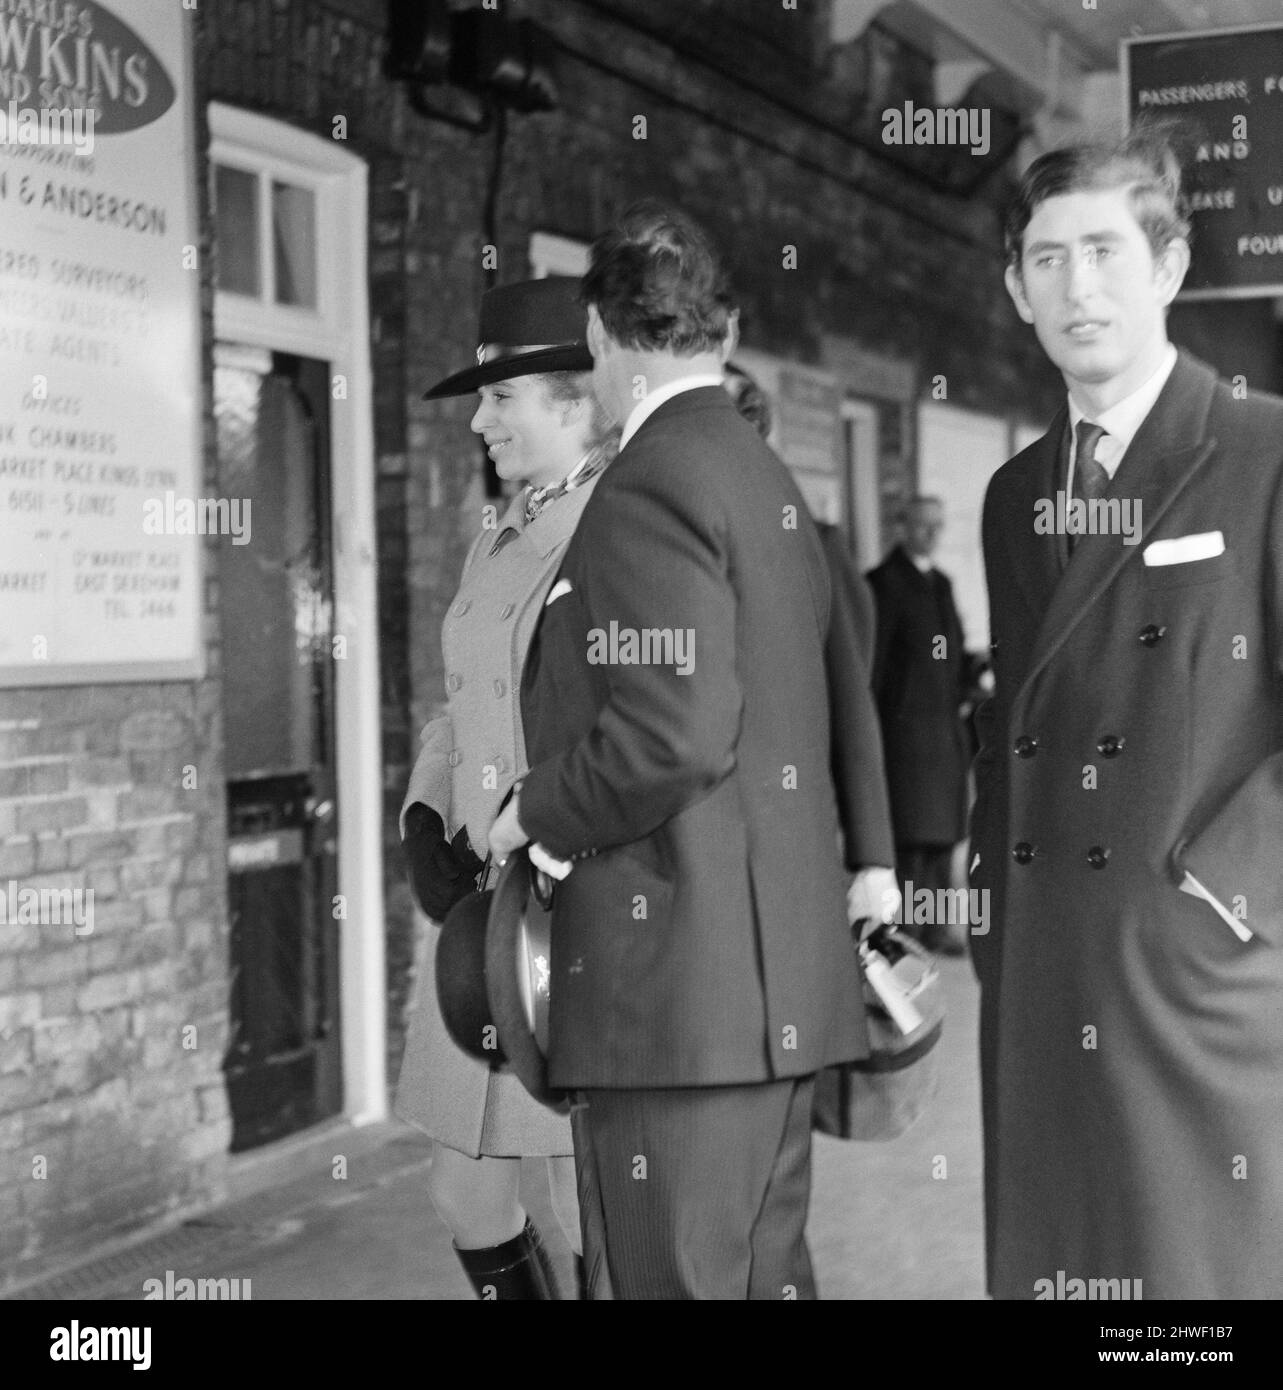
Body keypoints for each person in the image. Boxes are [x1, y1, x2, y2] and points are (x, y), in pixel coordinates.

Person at [488, 200, 895, 1299]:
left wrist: (531, 809)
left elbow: (669, 735)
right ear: (718, 329)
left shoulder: (648, 483)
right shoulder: (765, 479)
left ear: (603, 338)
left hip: (677, 1008)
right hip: (768, 1003)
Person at [971, 125, 1283, 1299]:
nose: (1076, 287)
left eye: (1103, 250)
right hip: (1045, 967)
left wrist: (1226, 892)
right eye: (1045, 260)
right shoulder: (1014, 494)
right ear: (1014, 288)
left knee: (1191, 1286)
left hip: (1194, 981)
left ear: (1167, 266)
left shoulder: (1259, 447)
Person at [396, 276, 616, 1299]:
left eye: (501, 397)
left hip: (571, 922)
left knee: (591, 1214)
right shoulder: (496, 533)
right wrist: (422, 811)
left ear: (575, 398)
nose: (480, 419)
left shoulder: (621, 533)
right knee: (466, 1195)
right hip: (479, 925)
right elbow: (458, 700)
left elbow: (640, 735)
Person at [866, 498, 972, 953]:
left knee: (942, 839)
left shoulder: (941, 585)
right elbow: (875, 666)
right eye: (923, 525)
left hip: (944, 731)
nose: (931, 534)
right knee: (911, 840)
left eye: (937, 525)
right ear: (902, 526)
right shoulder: (883, 584)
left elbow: (952, 654)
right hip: (905, 734)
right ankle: (906, 934)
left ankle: (934, 927)